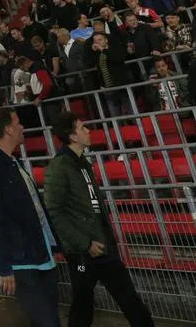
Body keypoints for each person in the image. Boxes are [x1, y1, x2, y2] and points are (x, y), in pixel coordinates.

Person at [43, 112, 154, 327]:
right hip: (84, 254)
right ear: (72, 136)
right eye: (83, 128)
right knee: (83, 303)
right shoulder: (59, 167)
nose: (88, 131)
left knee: (129, 299)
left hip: (103, 246)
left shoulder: (82, 163)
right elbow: (54, 211)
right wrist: (84, 244)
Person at [0, 108, 61, 327]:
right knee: (48, 321)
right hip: (21, 260)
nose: (22, 127)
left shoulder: (13, 162)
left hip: (40, 253)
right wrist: (3, 266)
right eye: (18, 122)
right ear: (9, 129)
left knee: (48, 318)